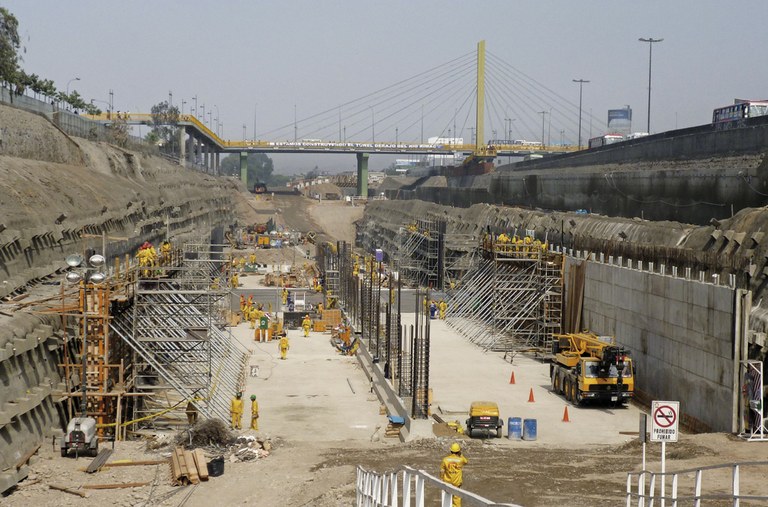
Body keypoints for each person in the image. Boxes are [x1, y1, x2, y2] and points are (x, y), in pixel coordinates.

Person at [440, 442, 468, 507]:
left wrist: (441, 479)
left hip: (447, 482)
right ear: (458, 451)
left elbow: (442, 470)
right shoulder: (460, 460)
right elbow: (466, 462)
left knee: (447, 498)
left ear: (451, 450)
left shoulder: (445, 459)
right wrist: (461, 455)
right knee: (457, 499)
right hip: (456, 483)